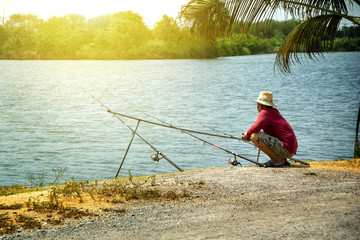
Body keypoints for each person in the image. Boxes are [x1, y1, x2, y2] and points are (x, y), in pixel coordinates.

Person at [242, 91, 297, 167]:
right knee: (254, 136)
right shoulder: (273, 112)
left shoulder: (264, 112)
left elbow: (255, 127)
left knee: (255, 136)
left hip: (287, 148)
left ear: (262, 106)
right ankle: (282, 160)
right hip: (290, 149)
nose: (257, 107)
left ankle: (276, 160)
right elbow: (265, 134)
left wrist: (247, 134)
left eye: (258, 105)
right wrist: (249, 137)